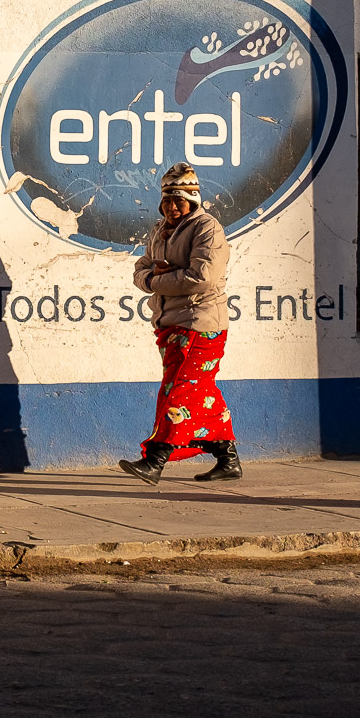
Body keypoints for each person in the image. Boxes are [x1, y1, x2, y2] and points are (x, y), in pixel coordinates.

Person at [118, 163, 240, 485]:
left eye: (179, 200)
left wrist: (157, 280)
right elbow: (141, 269)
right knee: (202, 392)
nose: (172, 207)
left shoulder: (207, 229)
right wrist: (151, 277)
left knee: (178, 394)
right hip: (171, 324)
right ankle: (227, 458)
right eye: (167, 200)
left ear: (193, 201)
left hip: (201, 325)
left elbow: (202, 277)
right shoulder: (160, 230)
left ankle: (155, 460)